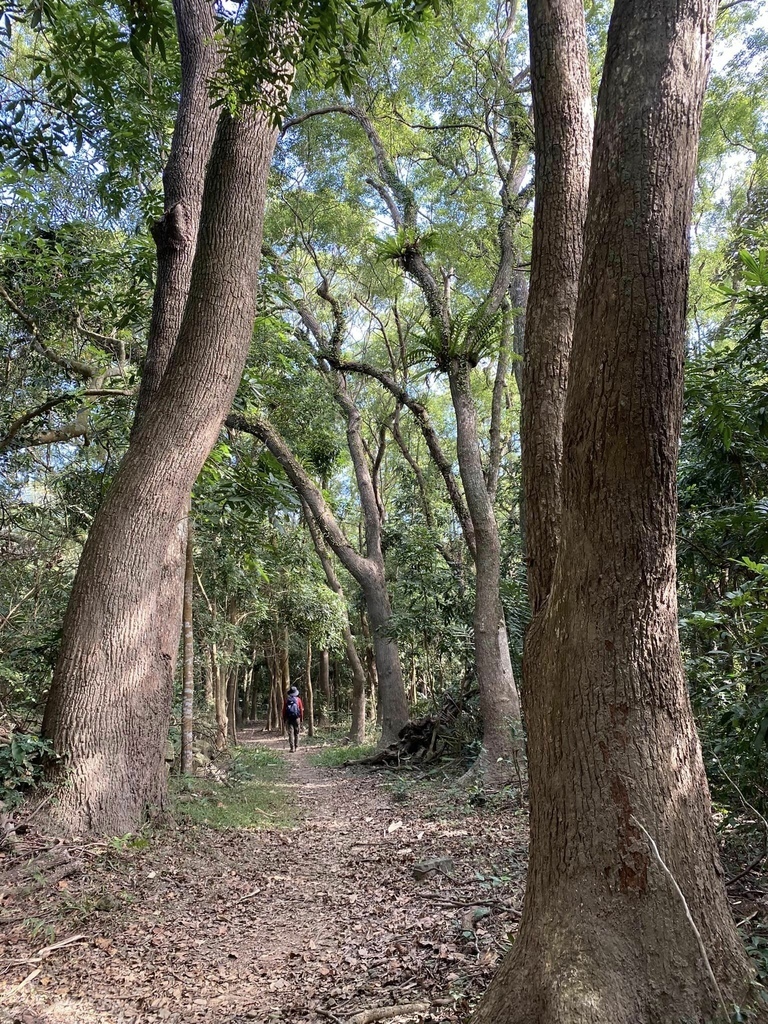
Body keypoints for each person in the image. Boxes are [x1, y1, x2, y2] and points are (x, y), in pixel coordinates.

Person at [283, 685, 304, 752]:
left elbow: (284, 710)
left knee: (290, 733)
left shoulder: (287, 700)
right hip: (296, 718)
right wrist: (301, 718)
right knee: (297, 733)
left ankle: (292, 748)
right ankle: (297, 747)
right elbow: (301, 709)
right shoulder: (298, 700)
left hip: (289, 718)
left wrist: (284, 718)